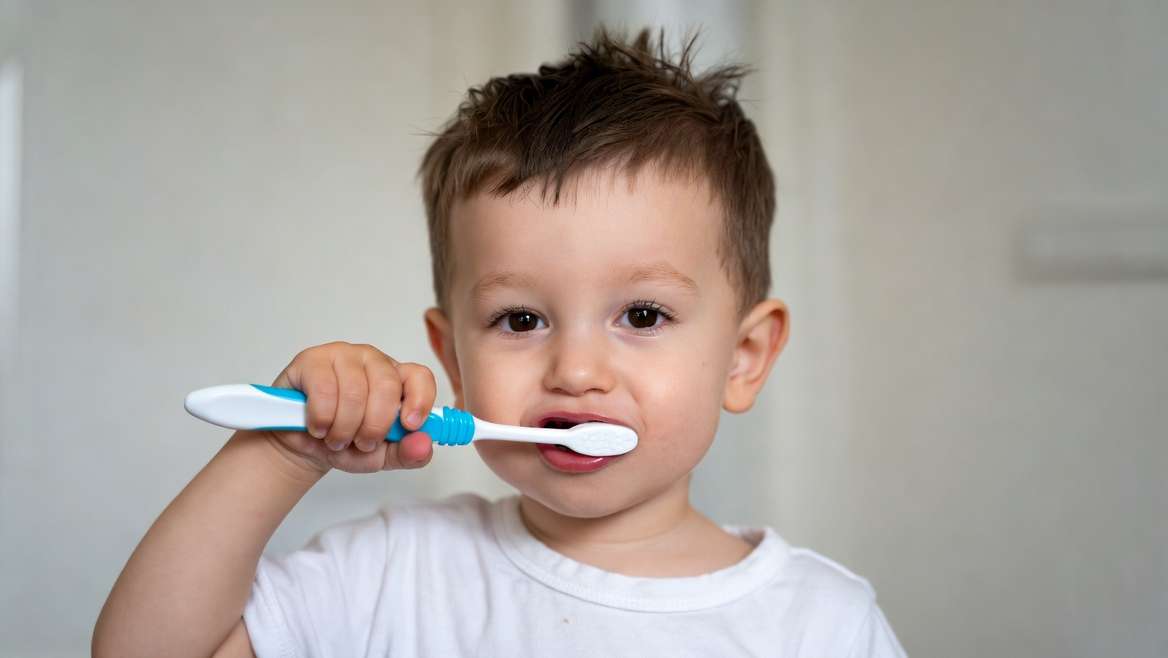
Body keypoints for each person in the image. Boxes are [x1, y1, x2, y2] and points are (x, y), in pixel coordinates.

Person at [94, 28, 907, 657]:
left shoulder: (819, 622)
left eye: (643, 316)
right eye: (521, 320)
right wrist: (279, 455)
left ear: (744, 357)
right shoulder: (392, 573)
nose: (577, 372)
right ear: (452, 358)